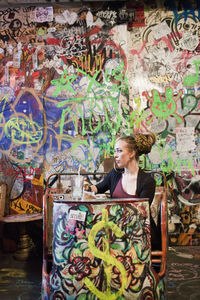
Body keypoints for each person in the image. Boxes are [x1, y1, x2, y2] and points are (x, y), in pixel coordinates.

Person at [85, 132, 161, 251]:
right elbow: (97, 188)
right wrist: (86, 187)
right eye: (115, 151)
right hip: (116, 232)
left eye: (119, 151)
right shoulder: (114, 175)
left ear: (131, 153)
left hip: (139, 234)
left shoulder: (147, 181)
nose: (115, 155)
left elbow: (141, 212)